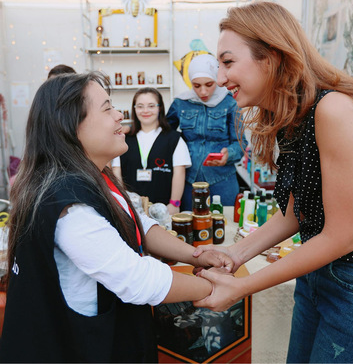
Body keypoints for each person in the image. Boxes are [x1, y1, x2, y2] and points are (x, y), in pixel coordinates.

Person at [192, 2, 353, 363]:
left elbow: (344, 234)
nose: (222, 78)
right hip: (319, 276)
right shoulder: (293, 115)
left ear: (270, 57)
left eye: (227, 62)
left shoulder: (334, 109)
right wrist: (233, 254)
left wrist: (241, 286)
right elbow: (296, 215)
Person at [0, 72, 233, 362]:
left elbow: (137, 224)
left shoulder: (93, 176)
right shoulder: (67, 203)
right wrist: (217, 287)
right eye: (107, 108)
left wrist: (197, 256)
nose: (119, 114)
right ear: (71, 126)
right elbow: (137, 279)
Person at [167, 54, 247, 210]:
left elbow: (241, 143)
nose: (203, 91)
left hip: (223, 181)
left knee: (225, 226)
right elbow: (163, 135)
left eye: (209, 84)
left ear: (216, 79)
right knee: (189, 228)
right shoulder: (180, 104)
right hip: (188, 181)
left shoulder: (231, 102)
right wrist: (132, 129)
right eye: (196, 86)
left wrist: (228, 154)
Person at [112, 87, 191, 215]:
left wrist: (174, 204)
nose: (145, 111)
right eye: (140, 106)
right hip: (132, 210)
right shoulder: (123, 138)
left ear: (160, 108)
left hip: (164, 210)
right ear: (134, 109)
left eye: (151, 106)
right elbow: (117, 172)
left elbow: (179, 173)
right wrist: (122, 204)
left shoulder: (175, 139)